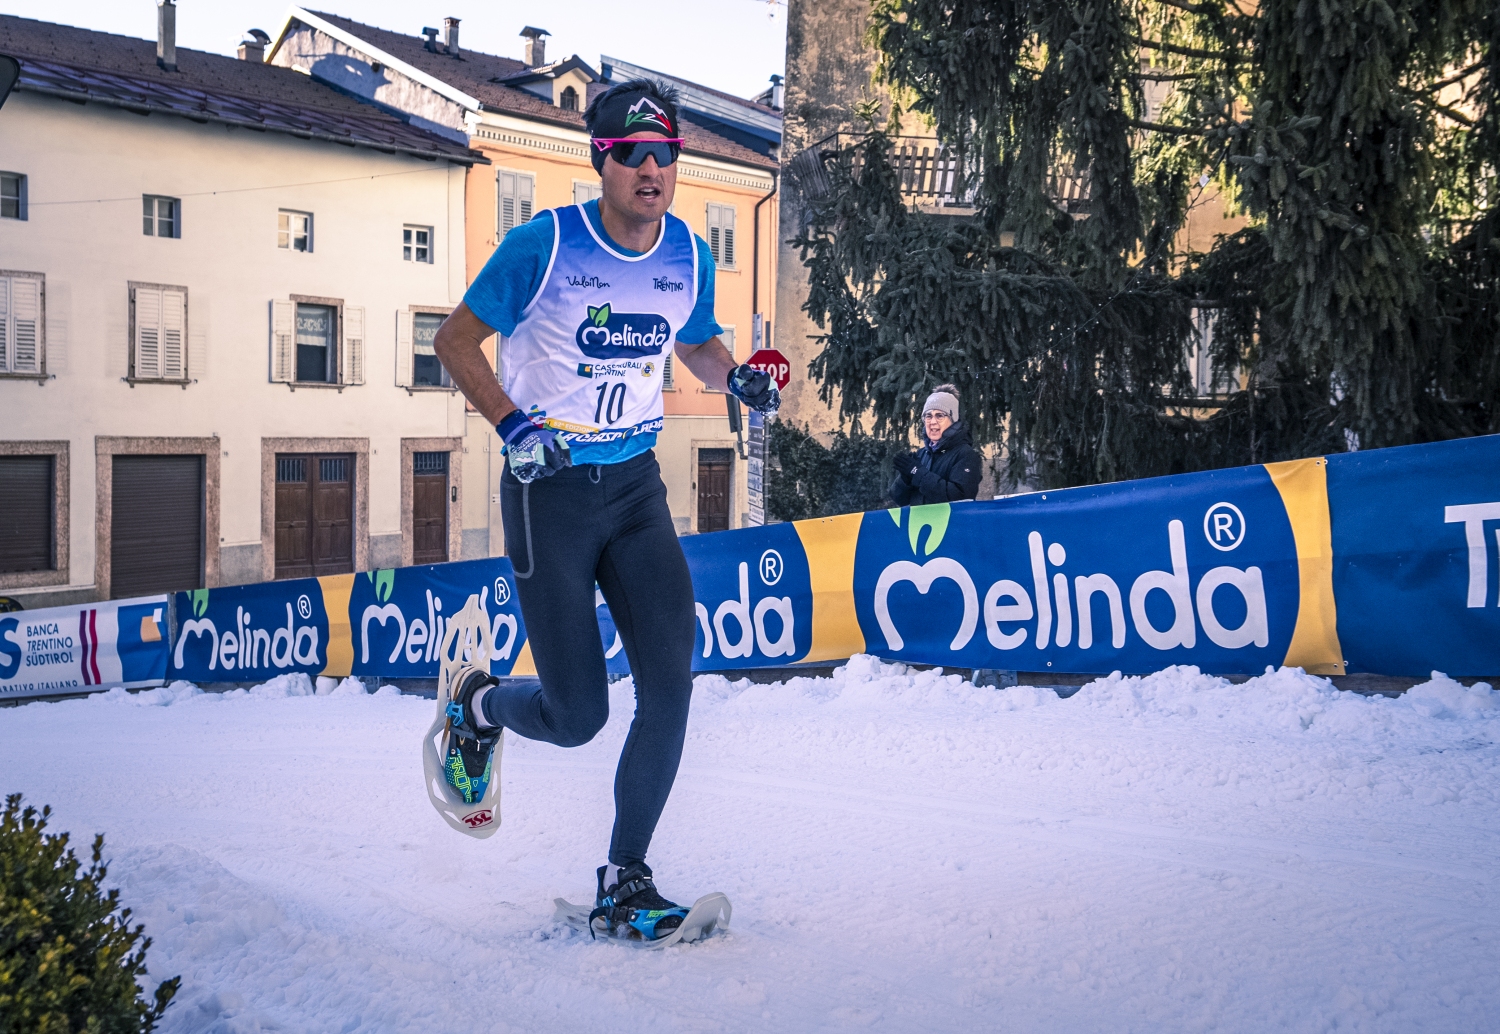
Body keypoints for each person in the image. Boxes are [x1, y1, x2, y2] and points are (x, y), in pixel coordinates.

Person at [430, 78, 779, 940]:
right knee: (578, 715)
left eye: (665, 154)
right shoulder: (544, 245)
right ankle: (476, 706)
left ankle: (627, 877)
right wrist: (512, 425)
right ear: (602, 161)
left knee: (670, 681)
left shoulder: (688, 253)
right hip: (547, 493)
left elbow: (692, 340)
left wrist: (733, 377)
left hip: (633, 489)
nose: (652, 170)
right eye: (633, 155)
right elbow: (454, 341)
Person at [889, 384, 982, 505]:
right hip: (919, 518)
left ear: (953, 420)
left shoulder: (966, 455)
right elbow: (899, 499)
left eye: (940, 416)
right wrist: (905, 479)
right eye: (928, 416)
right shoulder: (921, 454)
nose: (933, 422)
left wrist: (918, 473)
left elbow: (960, 498)